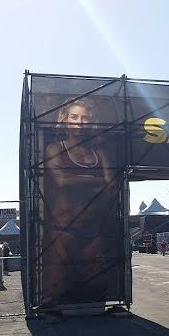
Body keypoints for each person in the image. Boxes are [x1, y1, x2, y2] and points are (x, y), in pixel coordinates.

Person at [42, 97, 117, 306]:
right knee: (54, 294)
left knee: (92, 291)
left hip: (93, 233)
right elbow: (61, 181)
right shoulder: (55, 149)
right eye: (74, 117)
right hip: (62, 232)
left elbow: (111, 186)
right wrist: (96, 180)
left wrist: (77, 179)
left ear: (91, 122)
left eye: (84, 118)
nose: (79, 122)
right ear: (64, 119)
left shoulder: (99, 155)